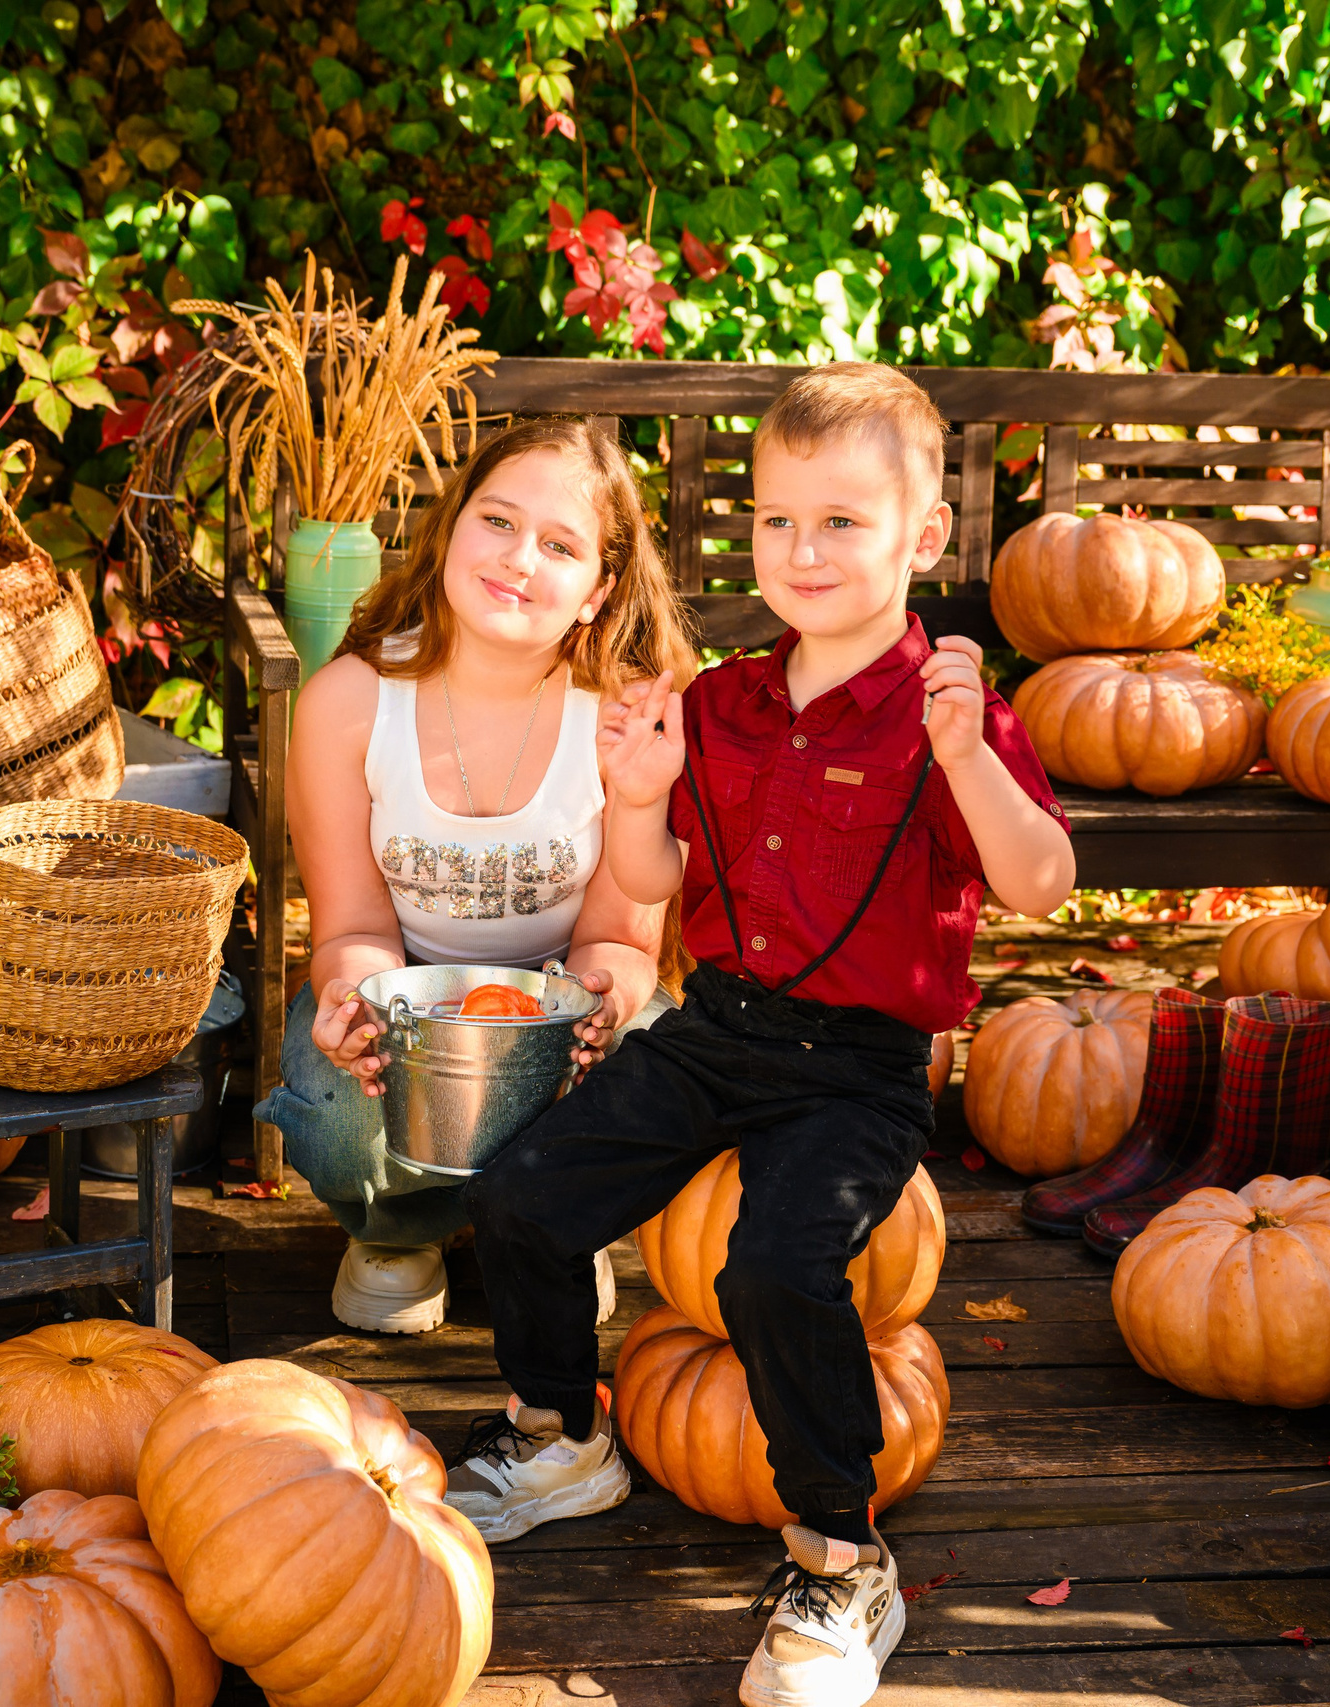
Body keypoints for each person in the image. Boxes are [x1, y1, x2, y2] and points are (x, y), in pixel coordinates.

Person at [450, 364, 1077, 1707]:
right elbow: (658, 880)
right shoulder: (724, 701)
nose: (802, 549)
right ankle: (561, 1428)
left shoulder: (954, 708)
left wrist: (968, 756)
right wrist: (636, 792)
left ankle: (842, 1558)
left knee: (776, 1270)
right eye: (777, 519)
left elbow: (1040, 884)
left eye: (843, 521)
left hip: (858, 1066)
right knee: (523, 1194)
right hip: (718, 1025)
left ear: (924, 536)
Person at [254, 414, 698, 1335]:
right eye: (497, 521)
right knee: (336, 1104)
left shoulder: (622, 717)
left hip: (557, 996)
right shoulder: (348, 704)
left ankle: (552, 1231)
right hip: (407, 991)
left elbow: (622, 932)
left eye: (560, 544)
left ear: (597, 589)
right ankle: (399, 1229)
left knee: (654, 1061)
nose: (518, 558)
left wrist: (602, 999)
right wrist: (354, 998)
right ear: (452, 527)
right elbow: (347, 927)